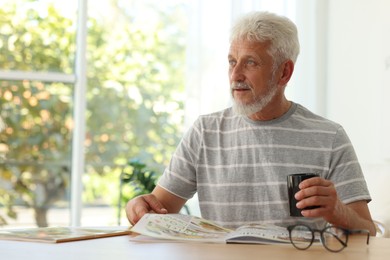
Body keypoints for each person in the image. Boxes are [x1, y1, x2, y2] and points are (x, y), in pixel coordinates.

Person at [126, 11, 376, 235]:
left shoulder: (329, 137)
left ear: (284, 72)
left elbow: (368, 231)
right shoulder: (204, 132)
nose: (235, 75)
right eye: (232, 61)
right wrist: (138, 207)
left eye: (250, 62)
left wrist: (337, 211)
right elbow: (157, 210)